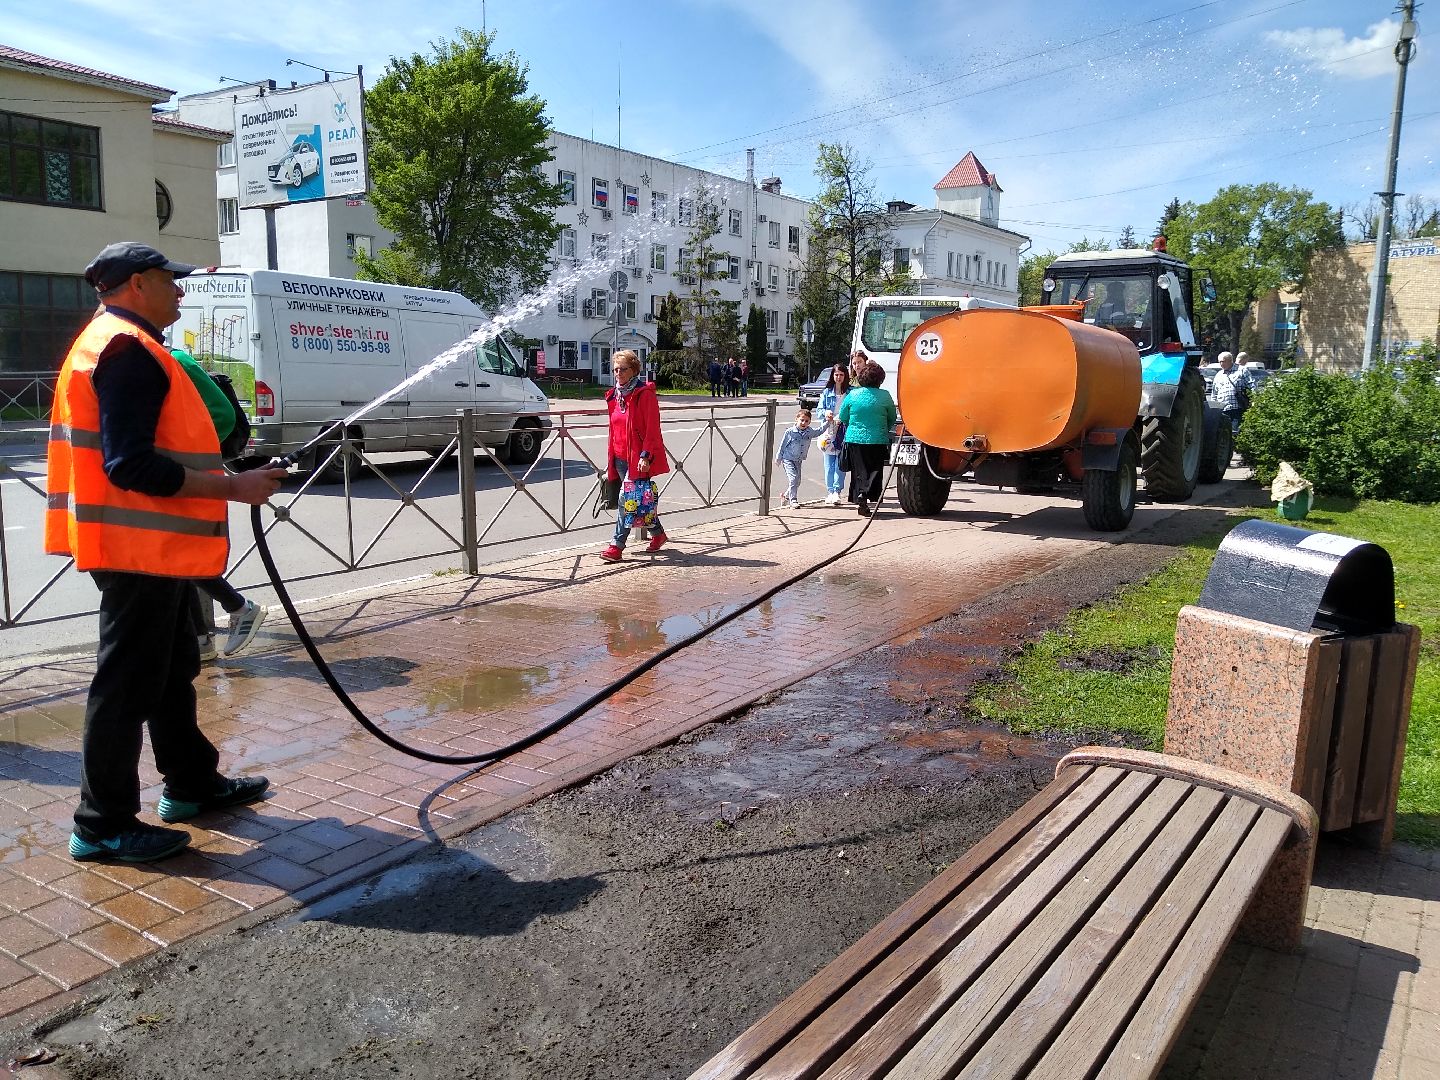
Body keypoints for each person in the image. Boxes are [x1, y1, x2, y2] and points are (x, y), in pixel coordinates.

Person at [46, 242, 288, 863]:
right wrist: (233, 487)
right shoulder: (126, 351)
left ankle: (191, 784)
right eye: (169, 280)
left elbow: (159, 448)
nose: (180, 291)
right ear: (134, 285)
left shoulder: (116, 342)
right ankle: (100, 825)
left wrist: (237, 468)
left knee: (171, 668)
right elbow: (131, 466)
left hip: (150, 547)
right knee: (126, 684)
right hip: (136, 548)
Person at [170, 346, 267, 660]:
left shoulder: (173, 359)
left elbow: (222, 416)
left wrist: (183, 450)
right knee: (174, 558)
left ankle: (237, 608)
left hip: (184, 471)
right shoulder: (149, 357)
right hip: (177, 471)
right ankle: (202, 636)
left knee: (177, 554)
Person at [600, 349, 670, 562]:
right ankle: (658, 534)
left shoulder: (643, 393)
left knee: (625, 501)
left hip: (637, 458)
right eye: (615, 369)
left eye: (623, 369)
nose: (618, 373)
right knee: (637, 500)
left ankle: (616, 546)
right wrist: (610, 458)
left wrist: (645, 455)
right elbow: (614, 429)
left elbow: (652, 428)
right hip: (619, 456)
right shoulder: (615, 395)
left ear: (634, 370)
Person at [839, 359, 898, 516]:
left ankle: (859, 494)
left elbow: (843, 416)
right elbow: (892, 416)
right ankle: (867, 494)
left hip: (854, 439)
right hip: (877, 439)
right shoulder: (885, 395)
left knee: (859, 471)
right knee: (874, 470)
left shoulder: (852, 395)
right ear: (880, 379)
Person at [774, 407, 828, 508]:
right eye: (801, 420)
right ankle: (793, 500)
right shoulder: (790, 432)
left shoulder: (809, 431)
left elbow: (819, 431)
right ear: (797, 419)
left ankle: (785, 496)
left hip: (798, 460)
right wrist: (778, 458)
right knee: (793, 478)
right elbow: (783, 445)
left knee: (797, 481)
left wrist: (828, 422)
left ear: (809, 422)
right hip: (788, 459)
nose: (803, 423)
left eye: (806, 421)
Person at [817, 364, 851, 505]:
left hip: (844, 430)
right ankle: (830, 491)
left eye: (841, 375)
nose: (838, 377)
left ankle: (837, 491)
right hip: (829, 432)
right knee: (829, 464)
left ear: (845, 376)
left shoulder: (850, 392)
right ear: (832, 376)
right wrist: (826, 413)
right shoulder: (827, 393)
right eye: (836, 375)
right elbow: (819, 411)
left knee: (840, 463)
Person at [1211, 350, 1255, 437]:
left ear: (1230, 360)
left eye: (1223, 361)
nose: (1221, 364)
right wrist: (1213, 408)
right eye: (1219, 361)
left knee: (1235, 433)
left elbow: (1252, 385)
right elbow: (1214, 393)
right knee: (1223, 434)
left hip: (1237, 408)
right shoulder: (1218, 375)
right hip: (1223, 409)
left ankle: (1235, 449)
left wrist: (1255, 400)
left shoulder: (1242, 370)